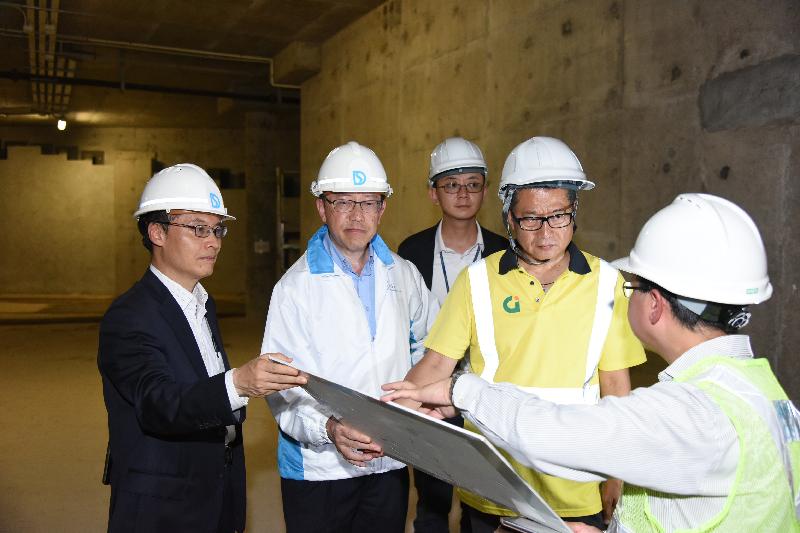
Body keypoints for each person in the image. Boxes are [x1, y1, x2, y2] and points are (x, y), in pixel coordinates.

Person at [383, 193, 800, 532]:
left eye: (632, 284)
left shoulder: (694, 414)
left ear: (653, 305)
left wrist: (461, 389)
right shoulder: (762, 393)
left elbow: (553, 433)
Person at [396, 136, 646, 531]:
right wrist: (381, 418)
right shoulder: (477, 281)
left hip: (576, 485)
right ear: (509, 218)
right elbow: (437, 363)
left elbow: (615, 384)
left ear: (574, 212)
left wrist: (618, 472)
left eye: (558, 215)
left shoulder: (607, 283)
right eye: (530, 218)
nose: (546, 233)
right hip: (494, 481)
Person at [98, 163, 306, 533]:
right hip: (163, 505)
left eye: (217, 229)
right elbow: (158, 403)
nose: (214, 241)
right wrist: (238, 383)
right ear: (157, 232)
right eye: (198, 228)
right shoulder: (129, 317)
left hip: (217, 487)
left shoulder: (200, 303)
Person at [261, 141, 438, 533]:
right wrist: (329, 430)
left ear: (383, 208)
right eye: (343, 202)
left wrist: (421, 401)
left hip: (389, 460)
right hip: (319, 472)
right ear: (322, 207)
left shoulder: (404, 275)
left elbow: (429, 349)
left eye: (368, 202)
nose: (357, 215)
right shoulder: (294, 289)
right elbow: (281, 389)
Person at [397, 136, 507, 532]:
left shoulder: (504, 251)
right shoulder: (410, 251)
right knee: (432, 499)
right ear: (433, 192)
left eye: (472, 184)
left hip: (484, 393)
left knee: (484, 503)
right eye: (451, 185)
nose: (463, 194)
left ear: (485, 189)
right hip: (429, 392)